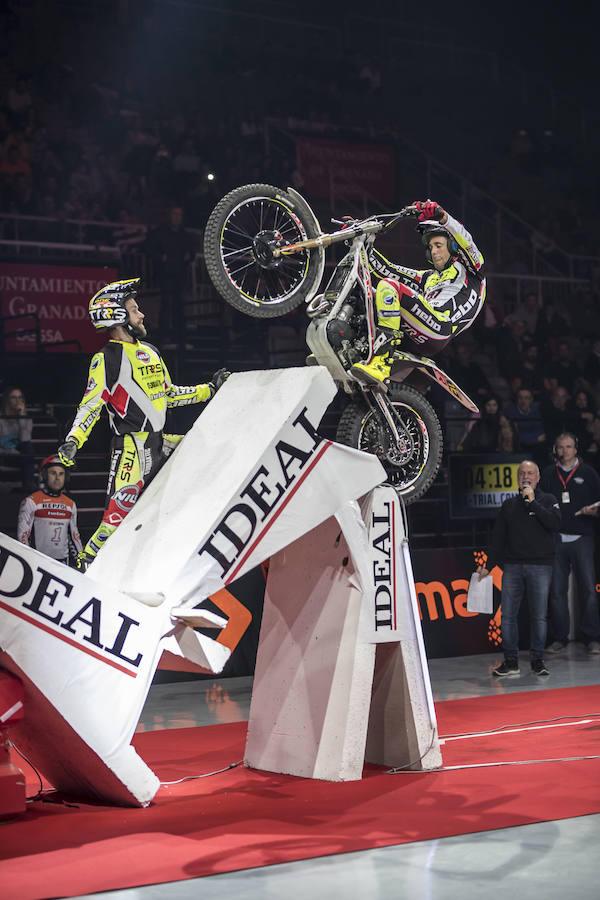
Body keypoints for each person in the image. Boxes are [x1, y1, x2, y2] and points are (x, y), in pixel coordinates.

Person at [57, 277, 229, 571]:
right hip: (131, 449)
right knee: (114, 520)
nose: (141, 315)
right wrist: (73, 441)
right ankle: (84, 568)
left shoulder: (150, 350)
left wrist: (210, 389)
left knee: (208, 452)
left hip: (160, 442)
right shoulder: (105, 359)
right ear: (119, 317)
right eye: (135, 310)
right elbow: (90, 404)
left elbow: (169, 395)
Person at [350, 199, 486, 385]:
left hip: (440, 328)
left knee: (389, 286)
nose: (434, 252)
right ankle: (349, 351)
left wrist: (443, 217)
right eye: (431, 248)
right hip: (417, 334)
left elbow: (466, 241)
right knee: (368, 293)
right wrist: (359, 240)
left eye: (438, 245)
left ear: (453, 246)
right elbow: (387, 269)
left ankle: (381, 361)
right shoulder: (428, 277)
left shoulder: (473, 271)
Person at [478, 460, 561, 677]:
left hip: (540, 566)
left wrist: (533, 503)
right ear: (517, 478)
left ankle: (537, 661)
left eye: (530, 473)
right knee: (507, 617)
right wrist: (488, 566)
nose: (526, 476)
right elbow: (498, 540)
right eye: (522, 473)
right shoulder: (509, 505)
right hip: (513, 566)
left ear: (538, 478)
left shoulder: (549, 500)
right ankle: (511, 661)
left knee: (539, 616)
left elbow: (555, 524)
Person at [539, 432, 600, 653]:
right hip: (556, 539)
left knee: (589, 590)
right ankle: (559, 638)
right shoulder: (547, 474)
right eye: (561, 447)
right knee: (556, 591)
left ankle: (592, 637)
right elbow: (540, 503)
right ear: (556, 450)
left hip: (583, 538)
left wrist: (594, 512)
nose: (564, 451)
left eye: (568, 447)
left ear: (576, 449)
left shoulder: (588, 473)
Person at [18, 454, 83, 566]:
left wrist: (81, 560)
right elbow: (22, 536)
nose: (57, 478)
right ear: (44, 475)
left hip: (63, 563)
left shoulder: (70, 504)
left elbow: (74, 537)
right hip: (38, 562)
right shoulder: (31, 501)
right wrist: (29, 561)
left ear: (66, 477)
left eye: (61, 474)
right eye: (53, 473)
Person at [0, 386, 35, 493]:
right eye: (14, 398)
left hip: (20, 456)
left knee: (27, 447)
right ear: (7, 400)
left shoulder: (27, 419)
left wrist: (21, 417)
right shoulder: (1, 420)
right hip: (3, 455)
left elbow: (25, 439)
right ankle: (28, 485)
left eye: (20, 398)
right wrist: (9, 451)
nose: (17, 401)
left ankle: (28, 485)